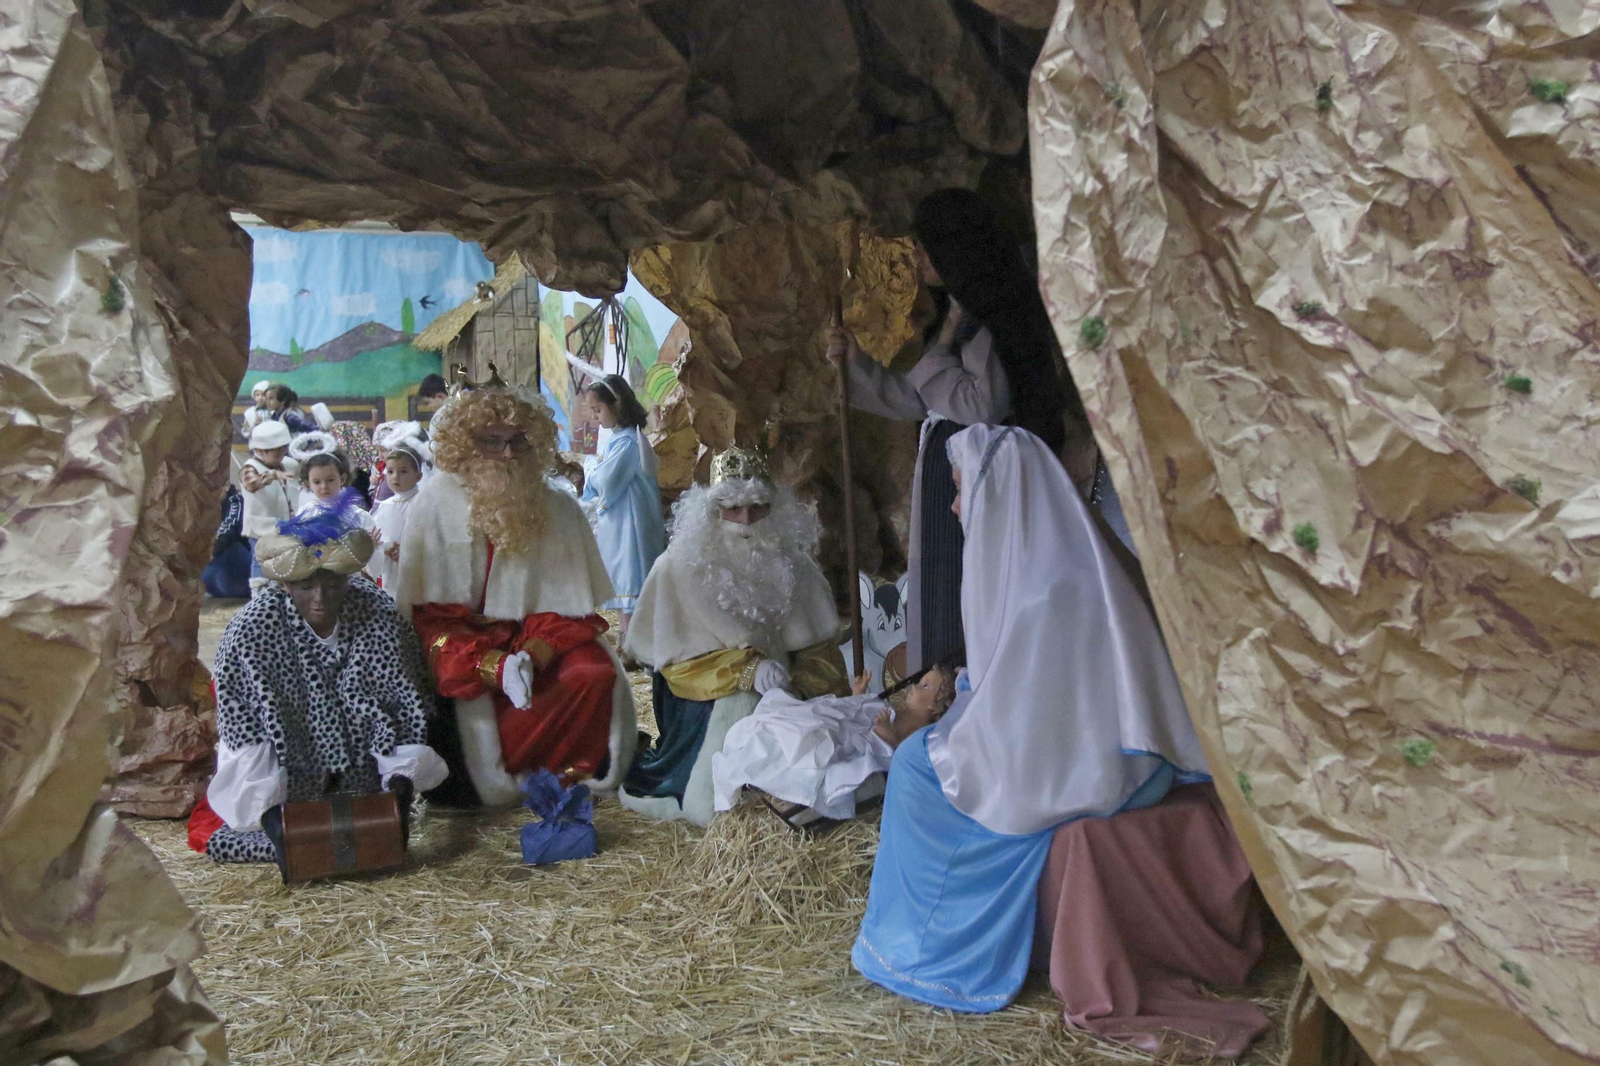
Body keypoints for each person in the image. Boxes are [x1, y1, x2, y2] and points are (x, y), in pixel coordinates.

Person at [852, 424, 1208, 1013]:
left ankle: (928, 948)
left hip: (1104, 762)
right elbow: (1023, 692)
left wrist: (960, 723)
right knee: (928, 753)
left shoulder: (1048, 582)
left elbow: (1031, 707)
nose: (954, 504)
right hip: (1081, 743)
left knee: (920, 765)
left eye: (961, 486)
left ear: (1000, 489)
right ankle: (915, 937)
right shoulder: (1041, 557)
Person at [827, 188, 1091, 675]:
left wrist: (946, 341)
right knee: (945, 589)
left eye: (927, 248)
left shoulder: (993, 317)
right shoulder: (958, 313)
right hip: (952, 478)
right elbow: (924, 401)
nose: (919, 259)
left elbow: (978, 404)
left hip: (985, 486)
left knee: (973, 595)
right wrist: (854, 367)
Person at [392, 375, 636, 806]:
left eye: (517, 441)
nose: (506, 453)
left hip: (541, 634)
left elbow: (572, 610)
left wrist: (532, 652)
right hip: (460, 640)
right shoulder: (433, 503)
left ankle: (561, 777)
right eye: (492, 441)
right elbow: (429, 617)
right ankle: (500, 779)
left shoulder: (558, 507)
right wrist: (494, 666)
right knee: (468, 690)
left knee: (593, 672)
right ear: (466, 445)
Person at [186, 497, 448, 863]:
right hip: (288, 781)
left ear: (347, 579)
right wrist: (275, 821)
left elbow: (404, 706)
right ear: (287, 585)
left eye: (331, 585)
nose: (320, 599)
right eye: (307, 586)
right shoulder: (250, 631)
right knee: (267, 843)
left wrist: (398, 796)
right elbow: (243, 729)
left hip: (363, 782)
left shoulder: (380, 615)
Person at [619, 445, 851, 826]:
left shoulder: (794, 565)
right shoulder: (677, 567)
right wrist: (745, 671)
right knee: (743, 704)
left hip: (783, 684)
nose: (746, 521)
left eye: (758, 508)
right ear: (713, 511)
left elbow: (818, 650)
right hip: (701, 695)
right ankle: (715, 802)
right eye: (733, 508)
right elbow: (675, 666)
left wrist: (800, 686)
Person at [712, 662, 955, 823]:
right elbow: (859, 711)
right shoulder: (895, 709)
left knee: (817, 742)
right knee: (805, 717)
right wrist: (858, 695)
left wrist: (888, 733)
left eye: (925, 685)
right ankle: (772, 741)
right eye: (920, 681)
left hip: (865, 743)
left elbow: (904, 758)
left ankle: (784, 758)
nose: (913, 685)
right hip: (857, 723)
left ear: (934, 704)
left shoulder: (923, 733)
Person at [579, 375, 665, 636]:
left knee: (630, 578)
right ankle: (628, 637)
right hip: (620, 522)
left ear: (615, 405)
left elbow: (607, 480)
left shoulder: (628, 442)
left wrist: (589, 465)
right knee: (622, 578)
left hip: (631, 526)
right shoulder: (621, 439)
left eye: (598, 409)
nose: (596, 417)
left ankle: (632, 640)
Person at [240, 421, 301, 596]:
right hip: (260, 527)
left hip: (282, 525)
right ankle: (259, 592)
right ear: (260, 451)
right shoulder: (250, 469)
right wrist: (273, 475)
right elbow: (251, 483)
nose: (282, 455)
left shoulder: (286, 464)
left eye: (283, 450)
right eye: (276, 452)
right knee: (260, 560)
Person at [369, 444, 423, 590]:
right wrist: (385, 547)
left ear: (418, 476)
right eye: (390, 471)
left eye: (403, 471)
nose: (395, 477)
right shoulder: (385, 505)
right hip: (391, 570)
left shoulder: (424, 502)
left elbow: (432, 538)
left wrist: (408, 551)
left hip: (419, 572)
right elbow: (377, 536)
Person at [201, 485, 252, 599]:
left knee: (229, 546)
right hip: (211, 579)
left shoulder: (236, 502)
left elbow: (226, 535)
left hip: (235, 577)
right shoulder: (196, 503)